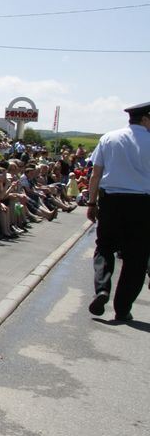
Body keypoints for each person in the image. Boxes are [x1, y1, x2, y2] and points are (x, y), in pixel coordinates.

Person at [86, 102, 150, 322]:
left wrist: (91, 203)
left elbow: (95, 174)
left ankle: (102, 289)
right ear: (145, 119)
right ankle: (122, 307)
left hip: (111, 201)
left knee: (104, 247)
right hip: (143, 204)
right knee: (136, 258)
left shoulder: (109, 138)